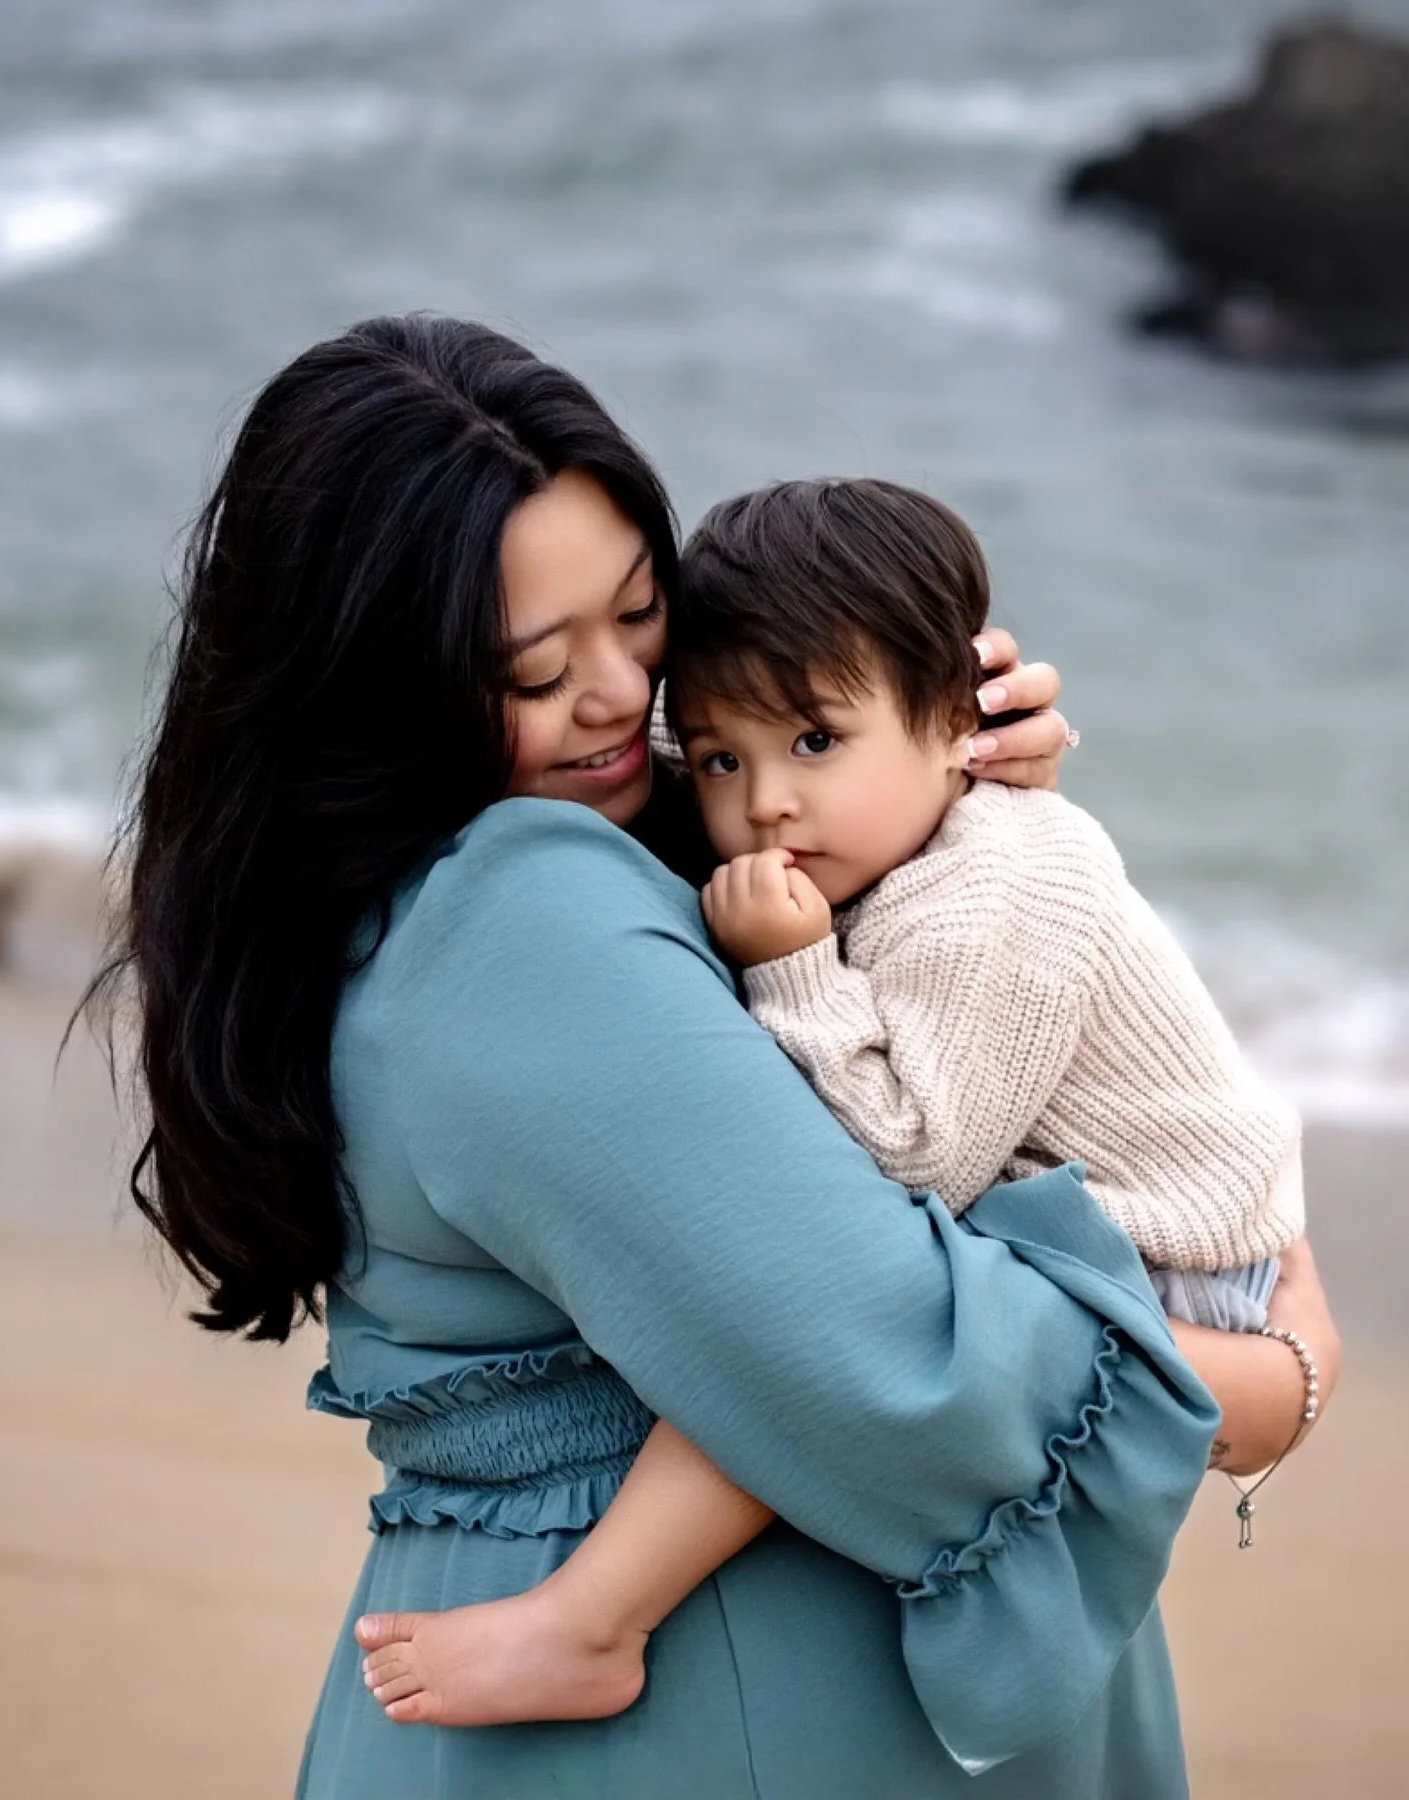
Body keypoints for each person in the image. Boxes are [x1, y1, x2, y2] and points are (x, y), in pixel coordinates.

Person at [96, 314, 1338, 1800]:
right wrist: (1276, 1381)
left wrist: (952, 803)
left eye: (640, 614)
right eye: (532, 669)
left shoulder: (451, 885)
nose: (621, 695)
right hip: (730, 1719)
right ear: (377, 685)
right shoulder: (527, 916)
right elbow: (889, 1354)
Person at [356, 475, 1310, 1729]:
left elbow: (903, 1168)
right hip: (1086, 1200)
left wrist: (793, 967)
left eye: (814, 743)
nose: (764, 802)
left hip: (1175, 1250)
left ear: (956, 720)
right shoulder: (893, 828)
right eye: (719, 759)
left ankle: (596, 1618)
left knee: (796, 1312)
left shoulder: (990, 895)